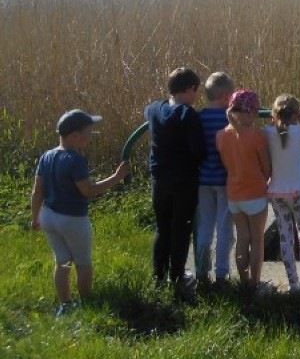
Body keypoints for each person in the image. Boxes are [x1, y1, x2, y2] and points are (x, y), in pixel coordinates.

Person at [31, 110, 130, 316]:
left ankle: (65, 306)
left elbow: (37, 191)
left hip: (48, 216)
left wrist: (35, 218)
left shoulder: (46, 156)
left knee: (62, 262)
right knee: (83, 263)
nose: (91, 135)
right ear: (75, 136)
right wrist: (117, 177)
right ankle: (86, 306)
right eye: (88, 132)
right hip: (72, 219)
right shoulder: (75, 160)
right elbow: (88, 191)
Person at [145, 67, 206, 301]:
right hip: (183, 182)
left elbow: (147, 112)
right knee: (181, 230)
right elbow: (197, 150)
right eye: (195, 91)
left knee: (162, 229)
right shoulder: (187, 115)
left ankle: (158, 277)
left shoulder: (154, 109)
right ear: (190, 89)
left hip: (159, 181)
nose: (196, 96)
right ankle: (177, 277)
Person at [216, 88, 272, 293]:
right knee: (257, 239)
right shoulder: (257, 137)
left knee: (242, 237)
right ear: (250, 112)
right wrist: (264, 179)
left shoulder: (221, 136)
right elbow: (266, 167)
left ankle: (243, 280)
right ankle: (255, 284)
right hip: (255, 193)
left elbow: (226, 164)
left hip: (234, 194)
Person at [266, 94, 300, 297]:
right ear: (296, 114)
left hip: (277, 193)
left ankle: (292, 284)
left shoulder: (267, 132)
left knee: (285, 238)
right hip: (299, 192)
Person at [194, 71, 236, 284]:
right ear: (226, 96)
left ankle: (201, 271)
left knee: (205, 227)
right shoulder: (228, 119)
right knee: (224, 227)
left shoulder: (198, 118)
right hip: (224, 180)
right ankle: (221, 273)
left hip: (203, 180)